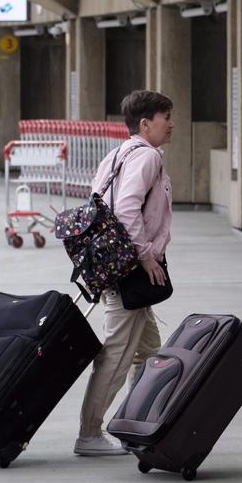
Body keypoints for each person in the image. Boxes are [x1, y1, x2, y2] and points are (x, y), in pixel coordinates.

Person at [75, 89, 174, 457]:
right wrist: (146, 255)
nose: (172, 124)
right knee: (116, 355)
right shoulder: (146, 157)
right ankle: (89, 434)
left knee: (148, 351)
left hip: (115, 265)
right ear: (145, 124)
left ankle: (134, 423)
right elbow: (127, 208)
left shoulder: (118, 153)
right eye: (166, 118)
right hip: (130, 269)